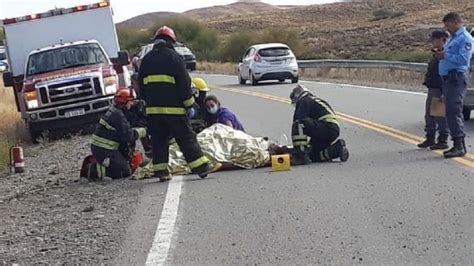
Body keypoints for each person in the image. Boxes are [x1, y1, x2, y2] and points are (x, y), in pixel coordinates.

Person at [138, 26, 221, 181]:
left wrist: (146, 104)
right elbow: (184, 84)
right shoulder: (174, 58)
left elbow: (140, 85)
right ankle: (201, 167)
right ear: (171, 41)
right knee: (186, 138)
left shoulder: (147, 60)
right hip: (173, 110)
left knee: (159, 141)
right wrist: (190, 104)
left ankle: (161, 172)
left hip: (153, 111)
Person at [434, 12, 474, 158]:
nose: (446, 28)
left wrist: (445, 56)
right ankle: (456, 144)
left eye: (448, 25)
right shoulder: (453, 38)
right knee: (450, 111)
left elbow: (464, 60)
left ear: (457, 22)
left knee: (454, 111)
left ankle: (459, 145)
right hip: (448, 80)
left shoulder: (465, 39)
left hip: (456, 78)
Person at [87, 88, 147, 180]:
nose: (133, 104)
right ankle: (95, 170)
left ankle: (106, 163)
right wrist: (144, 131)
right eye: (131, 102)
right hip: (104, 150)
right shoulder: (118, 116)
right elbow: (128, 136)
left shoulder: (116, 111)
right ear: (125, 102)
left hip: (105, 147)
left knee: (129, 163)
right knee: (125, 171)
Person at [290, 85, 349, 165]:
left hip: (325, 126)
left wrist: (298, 148)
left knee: (298, 124)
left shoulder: (304, 101)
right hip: (332, 130)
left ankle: (300, 156)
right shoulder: (315, 100)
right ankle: (337, 149)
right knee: (312, 154)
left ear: (297, 97)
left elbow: (298, 121)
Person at [417, 30, 450, 150]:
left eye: (434, 39)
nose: (432, 42)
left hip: (439, 88)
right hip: (433, 87)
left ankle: (442, 140)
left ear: (442, 39)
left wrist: (444, 91)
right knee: (429, 115)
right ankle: (430, 138)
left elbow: (446, 74)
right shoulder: (437, 54)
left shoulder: (446, 54)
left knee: (439, 115)